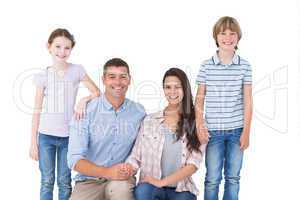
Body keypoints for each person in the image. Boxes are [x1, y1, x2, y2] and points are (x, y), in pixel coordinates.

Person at [29, 28, 100, 200]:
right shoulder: (43, 76)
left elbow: (96, 92)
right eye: (58, 46)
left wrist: (84, 100)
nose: (62, 52)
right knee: (46, 180)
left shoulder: (77, 70)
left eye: (67, 48)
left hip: (69, 137)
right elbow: (36, 111)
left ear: (71, 49)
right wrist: (33, 142)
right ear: (49, 47)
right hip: (45, 136)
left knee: (64, 180)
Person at [67, 58, 146, 200]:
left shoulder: (139, 112)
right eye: (112, 77)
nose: (118, 82)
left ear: (129, 80)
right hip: (88, 181)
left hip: (121, 180)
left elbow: (143, 147)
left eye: (123, 77)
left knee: (121, 191)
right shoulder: (86, 111)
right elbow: (74, 159)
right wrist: (107, 172)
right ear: (103, 79)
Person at [195, 16, 253, 200]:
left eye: (232, 33)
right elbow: (199, 100)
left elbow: (248, 101)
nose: (228, 37)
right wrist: (199, 126)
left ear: (238, 37)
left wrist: (246, 132)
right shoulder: (206, 66)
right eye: (223, 33)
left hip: (237, 131)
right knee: (212, 178)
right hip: (213, 132)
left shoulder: (244, 66)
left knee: (233, 177)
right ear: (216, 37)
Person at [126, 68, 206, 200]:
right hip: (151, 186)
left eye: (177, 87)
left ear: (185, 89)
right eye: (168, 87)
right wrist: (127, 169)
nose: (172, 92)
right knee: (142, 192)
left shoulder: (197, 123)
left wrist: (162, 182)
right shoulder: (150, 120)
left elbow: (193, 165)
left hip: (181, 190)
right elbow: (136, 156)